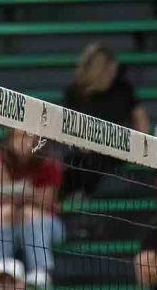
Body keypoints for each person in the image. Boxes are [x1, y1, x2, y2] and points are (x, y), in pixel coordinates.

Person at [62, 44, 150, 195]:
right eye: (109, 70)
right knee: (76, 162)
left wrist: (139, 144)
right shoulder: (76, 92)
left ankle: (81, 198)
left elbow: (141, 118)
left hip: (119, 147)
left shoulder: (123, 89)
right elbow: (70, 126)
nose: (112, 74)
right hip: (87, 149)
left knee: (95, 164)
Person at [0, 130, 64, 287]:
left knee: (29, 212)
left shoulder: (49, 162)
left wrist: (10, 188)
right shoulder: (1, 162)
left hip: (49, 227)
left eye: (26, 136)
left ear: (35, 139)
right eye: (18, 136)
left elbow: (45, 202)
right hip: (14, 225)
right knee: (3, 213)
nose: (22, 141)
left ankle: (40, 272)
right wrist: (2, 173)